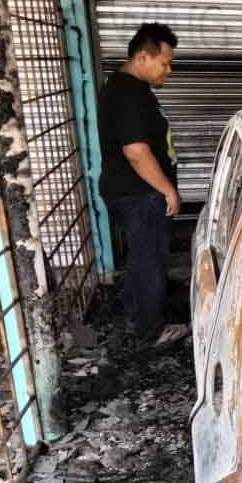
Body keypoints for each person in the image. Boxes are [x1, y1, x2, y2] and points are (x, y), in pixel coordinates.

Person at [99, 22, 189, 348]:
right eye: (164, 63)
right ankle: (149, 331)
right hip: (139, 195)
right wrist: (168, 190)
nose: (169, 70)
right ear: (142, 57)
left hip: (135, 194)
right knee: (149, 258)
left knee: (143, 257)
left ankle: (138, 313)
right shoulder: (127, 94)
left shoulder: (131, 90)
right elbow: (136, 152)